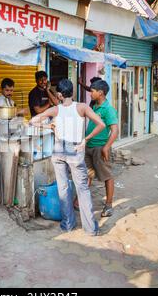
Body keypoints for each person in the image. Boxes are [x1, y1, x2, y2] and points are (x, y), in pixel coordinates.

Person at [30, 79, 105, 236]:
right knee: (82, 189)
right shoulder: (82, 107)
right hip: (75, 149)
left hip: (58, 150)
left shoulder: (55, 110)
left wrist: (48, 126)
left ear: (59, 95)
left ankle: (68, 225)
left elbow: (32, 121)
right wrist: (86, 139)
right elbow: (101, 125)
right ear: (73, 92)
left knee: (63, 189)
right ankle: (90, 229)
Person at [84, 80, 119, 217]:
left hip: (100, 147)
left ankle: (109, 205)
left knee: (107, 176)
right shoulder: (94, 106)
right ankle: (79, 201)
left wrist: (106, 147)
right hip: (89, 146)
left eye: (92, 91)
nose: (90, 93)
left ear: (101, 93)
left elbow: (115, 131)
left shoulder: (108, 109)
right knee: (88, 174)